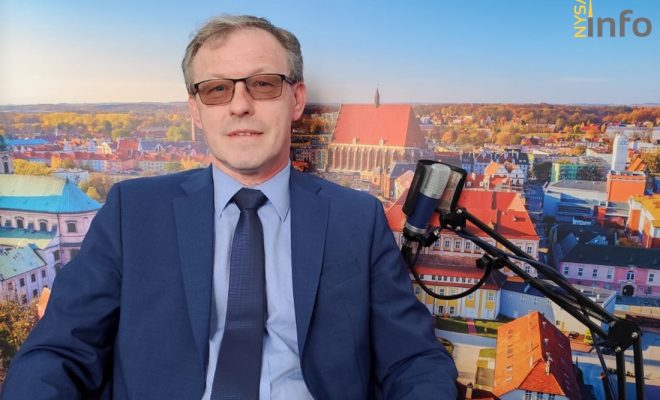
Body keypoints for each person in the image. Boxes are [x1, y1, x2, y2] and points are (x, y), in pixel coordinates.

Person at [2, 15, 457, 399]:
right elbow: (58, 352)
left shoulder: (356, 218)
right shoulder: (132, 211)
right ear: (195, 111)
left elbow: (414, 360)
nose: (240, 105)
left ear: (296, 99)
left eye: (263, 84)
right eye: (217, 89)